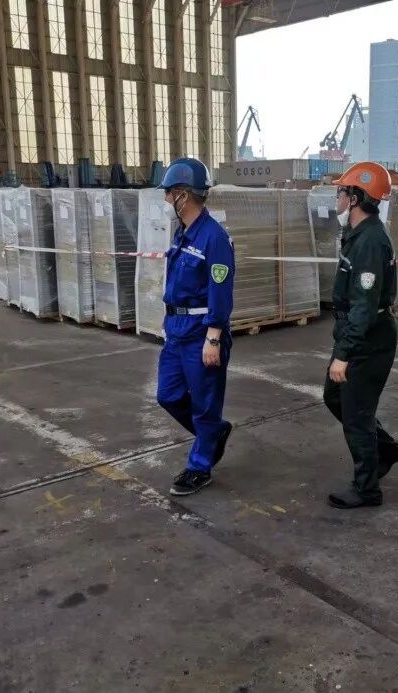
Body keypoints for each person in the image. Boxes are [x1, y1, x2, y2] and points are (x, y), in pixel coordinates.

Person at [323, 162, 398, 509]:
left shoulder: (370, 241)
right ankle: (386, 449)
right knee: (334, 397)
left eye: (342, 191)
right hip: (356, 332)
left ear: (355, 198)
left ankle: (367, 489)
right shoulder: (357, 233)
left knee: (356, 414)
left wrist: (344, 354)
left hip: (369, 339)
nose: (338, 197)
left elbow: (364, 304)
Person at [155, 157, 236, 497]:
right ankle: (213, 433)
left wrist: (213, 337)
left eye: (168, 193)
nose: (166, 199)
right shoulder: (183, 233)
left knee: (204, 405)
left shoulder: (214, 238)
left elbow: (221, 290)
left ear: (183, 195)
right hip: (177, 329)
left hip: (201, 332)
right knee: (168, 394)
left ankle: (200, 466)